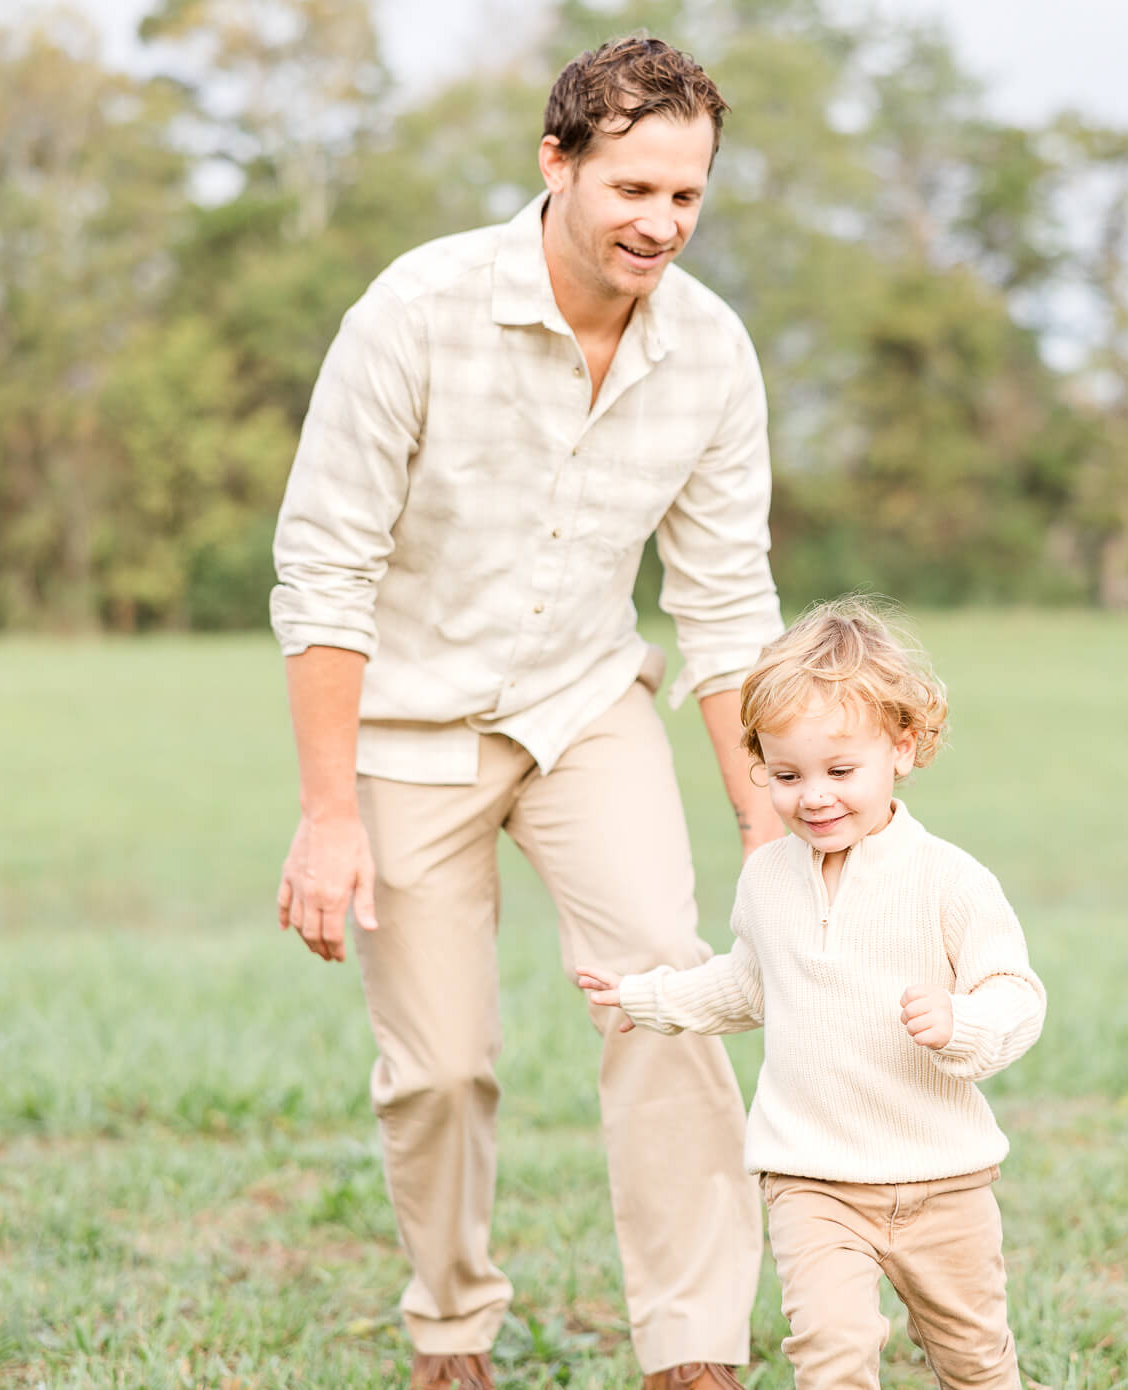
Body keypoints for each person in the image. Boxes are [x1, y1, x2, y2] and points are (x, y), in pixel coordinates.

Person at [268, 36, 783, 1390]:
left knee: (667, 992)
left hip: (582, 705)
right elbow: (324, 571)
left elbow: (727, 608)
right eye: (632, 189)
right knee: (437, 1067)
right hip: (405, 732)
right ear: (555, 161)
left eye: (685, 197)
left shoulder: (712, 354)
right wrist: (328, 815)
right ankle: (451, 1334)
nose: (659, 224)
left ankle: (693, 1351)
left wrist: (771, 828)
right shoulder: (416, 310)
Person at [575, 599, 1047, 1390]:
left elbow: (1015, 995)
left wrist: (960, 1021)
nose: (813, 797)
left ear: (901, 747)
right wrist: (646, 997)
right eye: (786, 776)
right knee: (829, 1351)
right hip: (812, 1178)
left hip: (943, 1179)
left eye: (839, 772)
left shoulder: (950, 881)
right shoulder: (768, 878)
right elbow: (749, 983)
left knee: (973, 1360)